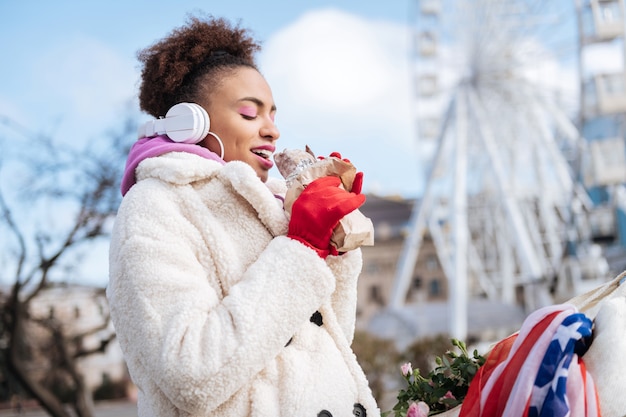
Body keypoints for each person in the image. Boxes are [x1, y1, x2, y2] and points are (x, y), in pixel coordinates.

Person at [106, 14, 380, 417]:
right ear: (189, 123)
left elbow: (327, 351)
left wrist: (332, 245)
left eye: (273, 115)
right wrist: (302, 246)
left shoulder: (273, 207)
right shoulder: (154, 206)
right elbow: (192, 378)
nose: (272, 131)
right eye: (250, 114)